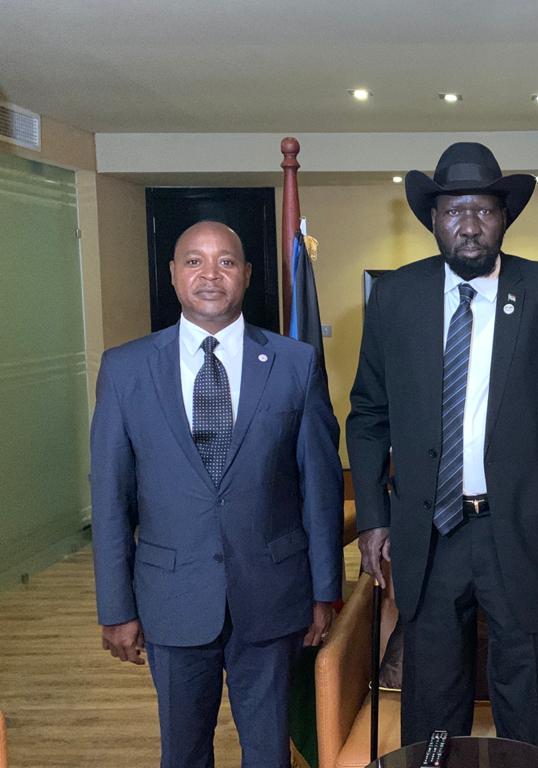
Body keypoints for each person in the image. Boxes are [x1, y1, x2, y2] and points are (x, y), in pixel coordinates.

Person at [347, 142, 538, 756]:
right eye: (455, 211)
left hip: (526, 529)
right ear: (433, 220)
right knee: (431, 697)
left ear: (504, 218)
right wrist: (374, 516)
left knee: (530, 693)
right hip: (429, 532)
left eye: (483, 210)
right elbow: (368, 416)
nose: (469, 224)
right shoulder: (396, 299)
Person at [90, 221, 343, 768]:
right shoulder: (126, 368)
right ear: (174, 275)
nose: (210, 275)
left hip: (273, 596)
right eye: (194, 261)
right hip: (171, 598)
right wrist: (115, 606)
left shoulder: (294, 363)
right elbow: (111, 497)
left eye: (225, 261)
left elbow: (319, 489)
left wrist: (324, 591)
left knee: (269, 753)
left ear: (246, 275)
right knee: (182, 753)